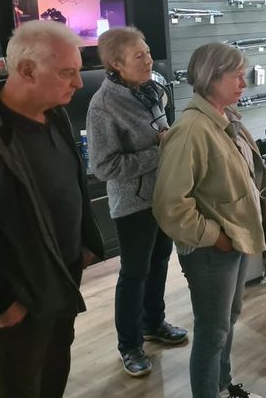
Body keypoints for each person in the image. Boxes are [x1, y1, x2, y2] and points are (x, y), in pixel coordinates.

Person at [0, 20, 105, 398]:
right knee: (18, 380)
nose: (78, 83)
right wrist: (3, 302)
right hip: (20, 291)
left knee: (55, 366)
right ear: (27, 70)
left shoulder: (55, 114)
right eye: (67, 73)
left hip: (63, 275)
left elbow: (72, 183)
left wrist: (86, 242)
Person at [153, 43, 266, 398]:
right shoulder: (191, 130)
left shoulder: (225, 118)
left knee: (226, 321)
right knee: (213, 330)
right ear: (210, 77)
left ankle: (222, 387)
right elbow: (170, 206)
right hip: (210, 249)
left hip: (232, 240)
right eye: (236, 75)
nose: (243, 82)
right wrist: (215, 236)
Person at [86, 27, 187, 378]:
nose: (149, 60)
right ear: (116, 64)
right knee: (134, 274)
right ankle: (129, 346)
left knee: (159, 262)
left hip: (163, 195)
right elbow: (104, 167)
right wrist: (159, 150)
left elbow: (163, 133)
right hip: (132, 205)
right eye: (139, 56)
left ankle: (153, 323)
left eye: (148, 52)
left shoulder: (152, 88)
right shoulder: (102, 106)